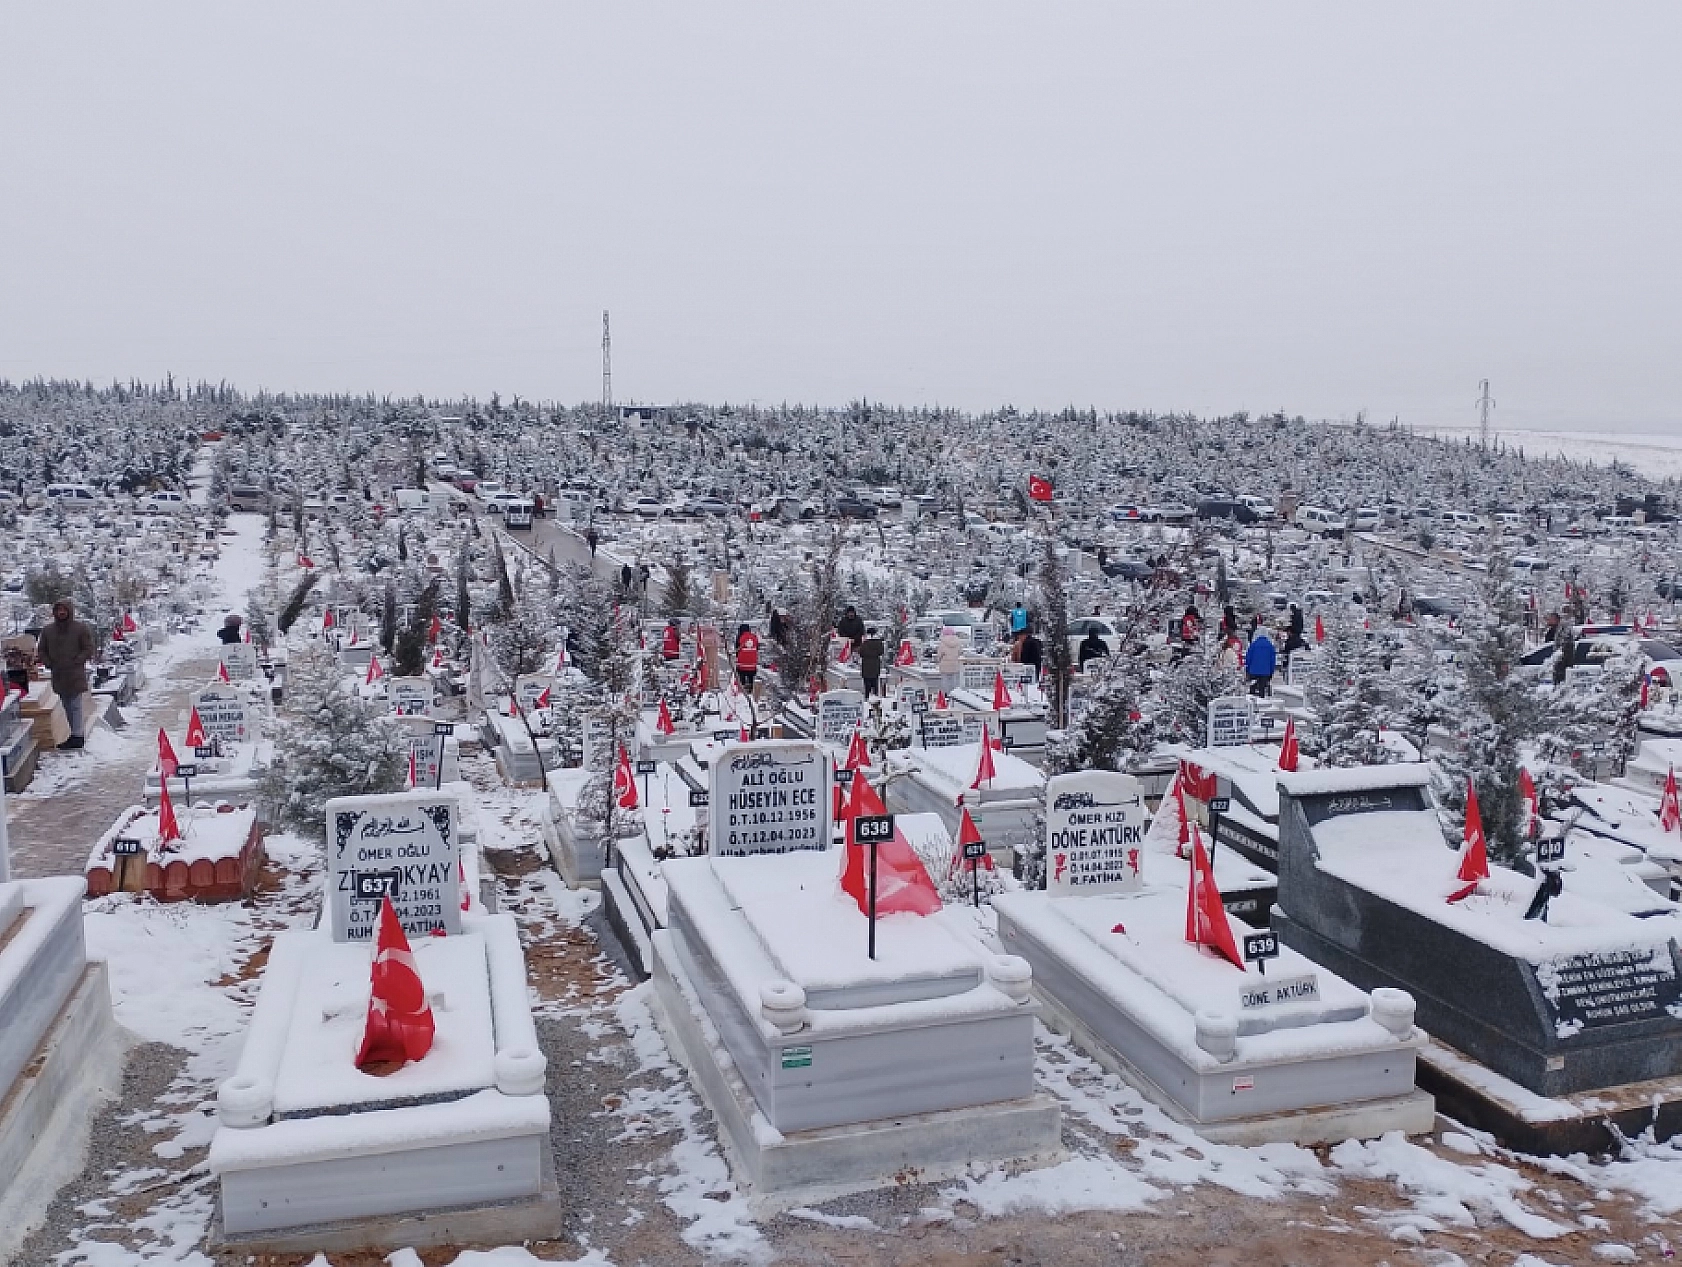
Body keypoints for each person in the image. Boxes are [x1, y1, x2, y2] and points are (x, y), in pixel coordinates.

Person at [37, 598, 95, 749]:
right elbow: (42, 650)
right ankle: (74, 734)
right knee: (66, 705)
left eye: (64, 610)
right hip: (58, 674)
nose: (61, 612)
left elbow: (88, 648)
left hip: (74, 673)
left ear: (69, 611)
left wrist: (78, 660)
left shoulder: (80, 629)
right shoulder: (48, 631)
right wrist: (48, 662)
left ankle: (77, 736)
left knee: (75, 704)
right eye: (58, 610)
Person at [1245, 627, 1277, 698]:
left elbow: (1248, 658)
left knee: (1252, 691)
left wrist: (1247, 670)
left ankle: (1252, 706)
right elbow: (1273, 660)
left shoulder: (1253, 645)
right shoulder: (1270, 646)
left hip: (1253, 671)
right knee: (1262, 691)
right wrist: (1271, 672)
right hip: (1265, 672)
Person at [859, 627, 886, 698]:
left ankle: (867, 696)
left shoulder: (865, 643)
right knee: (875, 682)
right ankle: (875, 696)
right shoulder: (879, 642)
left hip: (866, 664)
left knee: (867, 683)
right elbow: (881, 652)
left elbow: (861, 653)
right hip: (875, 664)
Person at [734, 623, 760, 692]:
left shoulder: (740, 637)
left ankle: (742, 688)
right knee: (751, 675)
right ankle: (750, 688)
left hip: (742, 664)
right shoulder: (754, 637)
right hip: (753, 664)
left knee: (742, 674)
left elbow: (737, 650)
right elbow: (757, 648)